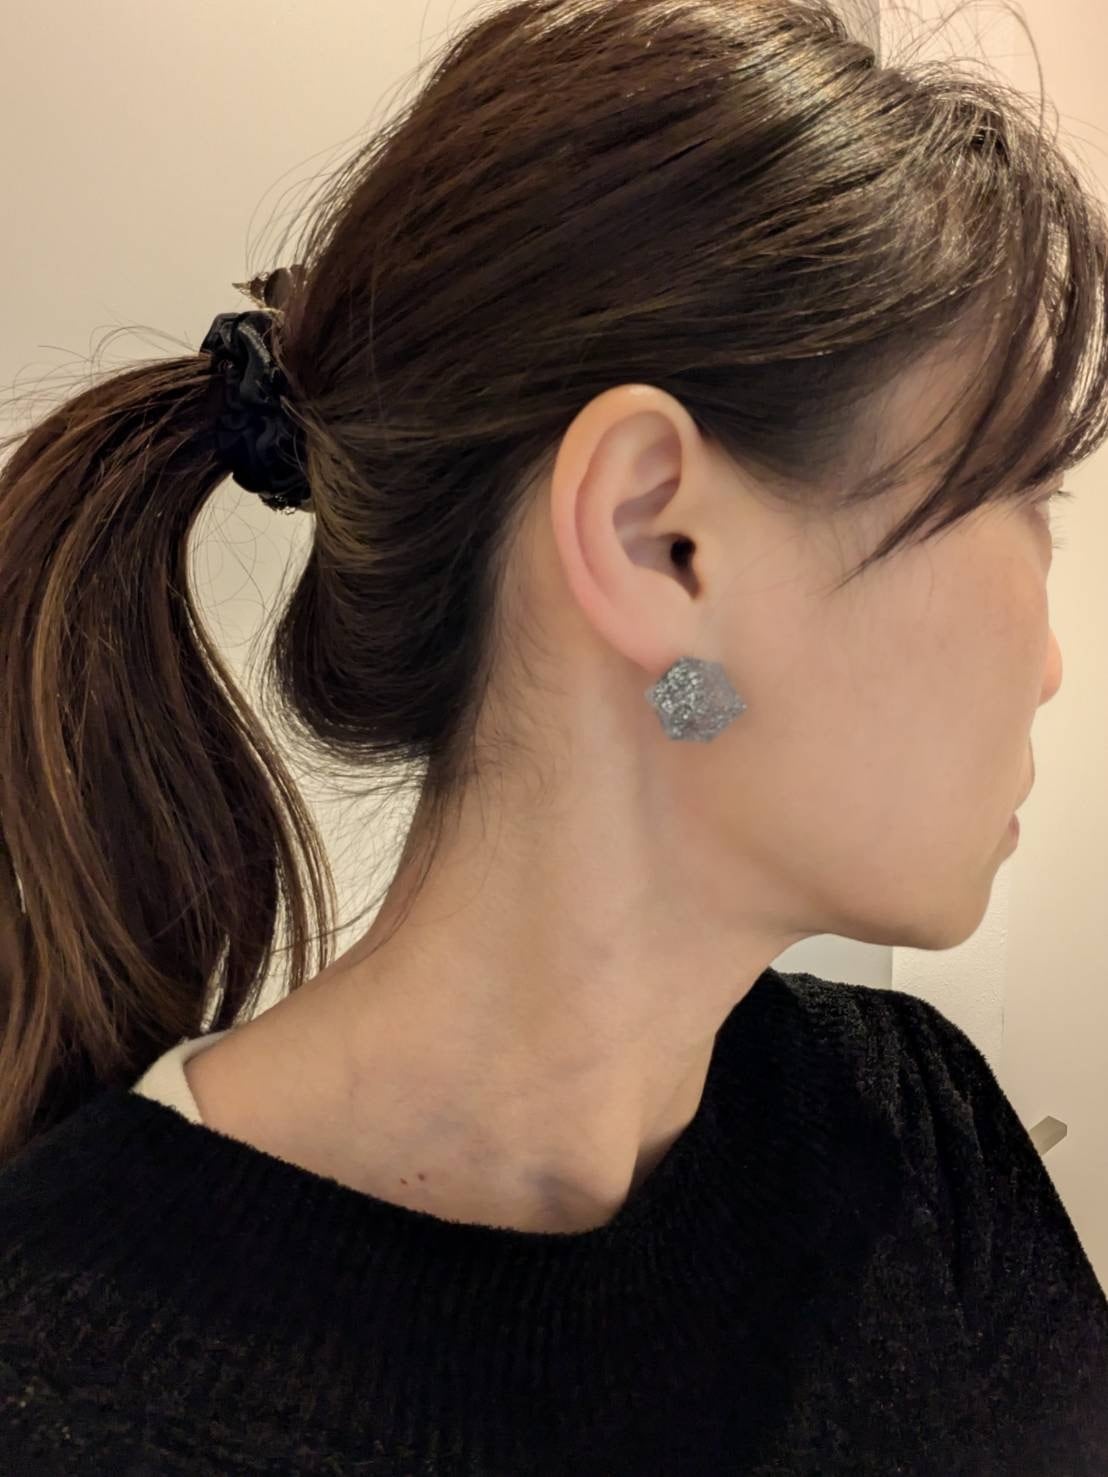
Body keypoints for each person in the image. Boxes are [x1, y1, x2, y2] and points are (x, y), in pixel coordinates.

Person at [1, 0, 1106, 1472]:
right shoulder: (61, 1395)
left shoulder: (917, 1135)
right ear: (661, 544)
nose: (1050, 665)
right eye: (1025, 496)